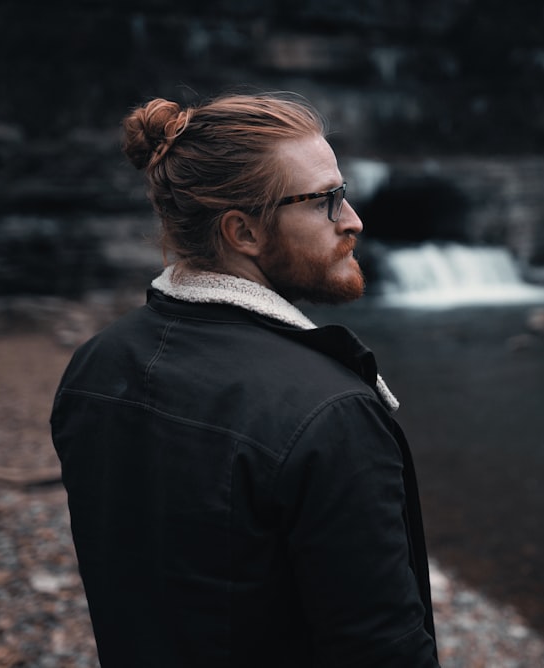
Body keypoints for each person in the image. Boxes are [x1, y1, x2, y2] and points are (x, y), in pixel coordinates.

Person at [50, 93, 439, 667]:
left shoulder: (95, 365)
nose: (353, 220)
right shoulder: (329, 414)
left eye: (345, 193)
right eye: (325, 201)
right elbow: (382, 649)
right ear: (244, 233)